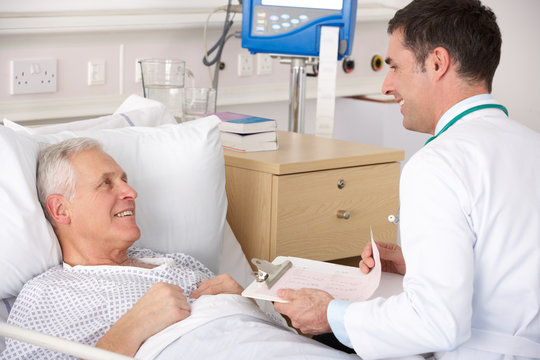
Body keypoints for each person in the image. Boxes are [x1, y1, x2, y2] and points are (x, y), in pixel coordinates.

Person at [274, 0, 540, 359]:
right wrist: (419, 264)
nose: (387, 86)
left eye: (395, 67)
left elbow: (437, 323)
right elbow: (514, 267)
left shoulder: (438, 164)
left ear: (436, 63)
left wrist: (329, 313)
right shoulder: (530, 144)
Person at [2, 138, 358, 360]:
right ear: (61, 209)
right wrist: (131, 328)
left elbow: (278, 333)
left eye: (125, 179)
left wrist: (250, 302)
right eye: (106, 184)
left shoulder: (178, 261)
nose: (130, 192)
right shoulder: (49, 293)